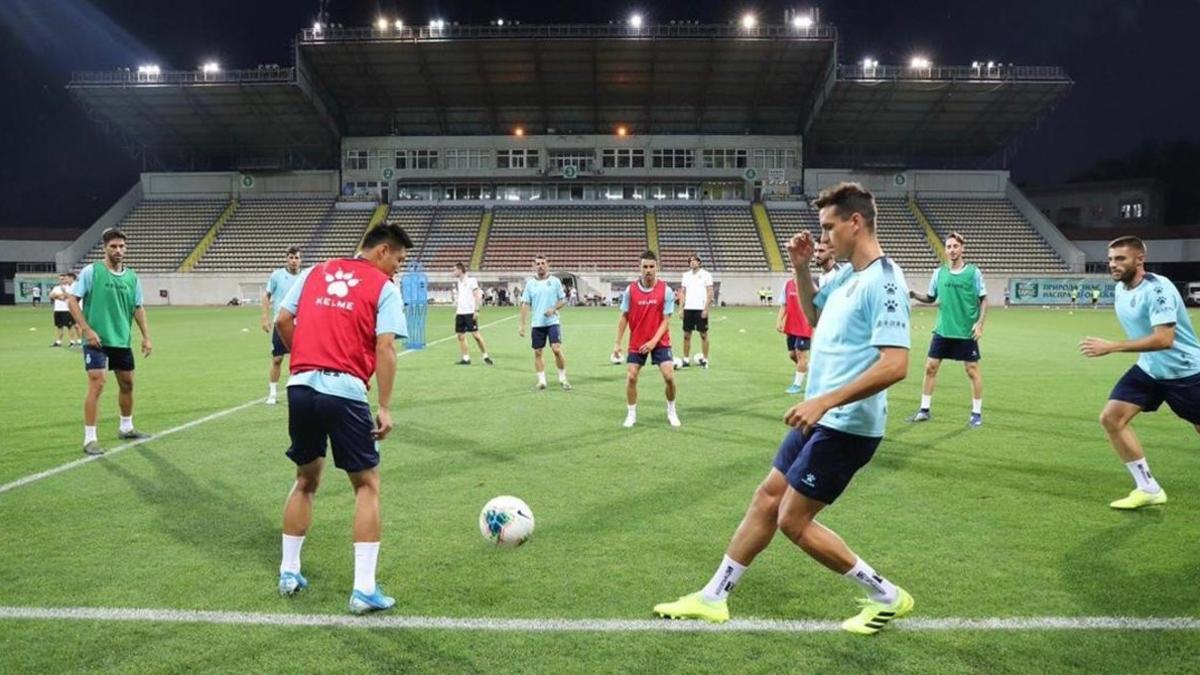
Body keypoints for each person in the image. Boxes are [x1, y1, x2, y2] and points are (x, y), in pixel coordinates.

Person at [653, 182, 914, 635]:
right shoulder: (847, 275)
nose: (823, 237)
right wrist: (799, 268)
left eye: (829, 227)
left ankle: (886, 594)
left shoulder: (884, 278)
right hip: (820, 416)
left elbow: (896, 364)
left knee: (792, 519)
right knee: (766, 497)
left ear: (856, 222)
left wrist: (824, 400)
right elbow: (814, 317)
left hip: (847, 425)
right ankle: (715, 596)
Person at [273, 223, 412, 613]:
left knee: (304, 479)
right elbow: (385, 347)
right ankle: (364, 588)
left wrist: (303, 357)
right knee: (366, 485)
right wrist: (384, 406)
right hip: (344, 390)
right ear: (382, 251)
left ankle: (289, 571)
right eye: (398, 261)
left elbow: (284, 319)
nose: (397, 270)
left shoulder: (316, 271)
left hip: (300, 387)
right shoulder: (384, 288)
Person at [1079, 236, 1200, 510]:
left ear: (1139, 260)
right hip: (1150, 369)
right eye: (1110, 259)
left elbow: (1164, 340)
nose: (1113, 264)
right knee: (1111, 418)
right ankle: (1148, 488)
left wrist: (1112, 347)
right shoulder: (1122, 288)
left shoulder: (1158, 290)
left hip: (1185, 372)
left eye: (1120, 259)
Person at [67, 228, 152, 456]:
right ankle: (90, 439)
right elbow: (72, 301)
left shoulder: (132, 277)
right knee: (98, 382)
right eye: (113, 246)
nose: (118, 250)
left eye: (122, 246)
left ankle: (126, 427)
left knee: (127, 384)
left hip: (121, 340)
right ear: (104, 247)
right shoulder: (91, 271)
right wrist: (87, 330)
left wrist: (146, 337)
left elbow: (138, 308)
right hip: (96, 340)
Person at [907, 233, 987, 427]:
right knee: (930, 367)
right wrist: (913, 294)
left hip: (965, 331)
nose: (952, 250)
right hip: (943, 330)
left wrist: (980, 323)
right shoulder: (938, 273)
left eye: (955, 246)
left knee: (972, 370)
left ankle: (976, 413)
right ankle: (924, 410)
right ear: (945, 250)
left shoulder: (973, 273)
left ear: (962, 248)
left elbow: (983, 299)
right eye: (949, 247)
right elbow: (930, 297)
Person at [613, 251, 680, 428]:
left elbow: (666, 320)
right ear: (639, 268)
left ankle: (671, 410)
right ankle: (631, 414)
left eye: (651, 266)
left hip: (659, 340)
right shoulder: (631, 290)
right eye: (645, 266)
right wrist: (617, 343)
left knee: (669, 376)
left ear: (657, 268)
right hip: (637, 341)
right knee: (632, 377)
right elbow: (624, 317)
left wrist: (653, 342)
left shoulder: (665, 290)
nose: (648, 270)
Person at [518, 256, 570, 391]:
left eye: (543, 263)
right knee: (538, 352)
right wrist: (522, 325)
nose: (540, 266)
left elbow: (563, 300)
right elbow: (525, 304)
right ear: (534, 266)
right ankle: (541, 381)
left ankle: (563, 378)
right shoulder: (530, 284)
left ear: (547, 265)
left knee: (556, 349)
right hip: (537, 324)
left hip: (553, 322)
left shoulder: (555, 281)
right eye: (538, 264)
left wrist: (553, 309)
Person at [262, 247, 303, 405]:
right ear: (287, 259)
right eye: (291, 257)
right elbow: (267, 295)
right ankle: (272, 393)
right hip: (281, 323)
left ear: (300, 260)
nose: (294, 260)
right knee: (277, 359)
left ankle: (298, 393)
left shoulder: (305, 276)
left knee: (301, 360)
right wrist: (265, 317)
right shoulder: (277, 275)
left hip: (301, 324)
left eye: (297, 258)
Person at [777, 265, 814, 395]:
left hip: (805, 326)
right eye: (793, 267)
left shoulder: (809, 285)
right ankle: (812, 370)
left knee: (801, 355)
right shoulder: (787, 285)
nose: (795, 269)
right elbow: (784, 304)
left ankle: (797, 385)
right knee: (792, 355)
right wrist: (779, 320)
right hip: (791, 325)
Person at [452, 262, 493, 365]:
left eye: (454, 270)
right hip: (460, 313)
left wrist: (476, 310)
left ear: (460, 270)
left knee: (476, 335)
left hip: (470, 312)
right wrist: (457, 311)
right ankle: (466, 358)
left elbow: (477, 295)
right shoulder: (459, 282)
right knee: (460, 336)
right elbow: (461, 298)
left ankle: (485, 355)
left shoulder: (471, 281)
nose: (453, 272)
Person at [679, 255, 714, 368]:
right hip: (688, 308)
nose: (692, 262)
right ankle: (686, 359)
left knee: (703, 335)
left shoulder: (706, 275)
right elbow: (683, 293)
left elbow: (710, 292)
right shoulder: (685, 276)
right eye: (690, 261)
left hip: (700, 309)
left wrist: (706, 308)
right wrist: (681, 308)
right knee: (686, 335)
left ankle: (705, 359)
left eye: (695, 260)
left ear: (699, 262)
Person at [49, 273, 81, 347]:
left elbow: (66, 296)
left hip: (67, 309)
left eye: (63, 279)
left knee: (70, 326)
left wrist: (57, 296)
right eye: (60, 279)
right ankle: (58, 341)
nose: (62, 280)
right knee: (59, 326)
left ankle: (73, 341)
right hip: (57, 309)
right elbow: (51, 295)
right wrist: (59, 296)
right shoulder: (56, 287)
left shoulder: (69, 287)